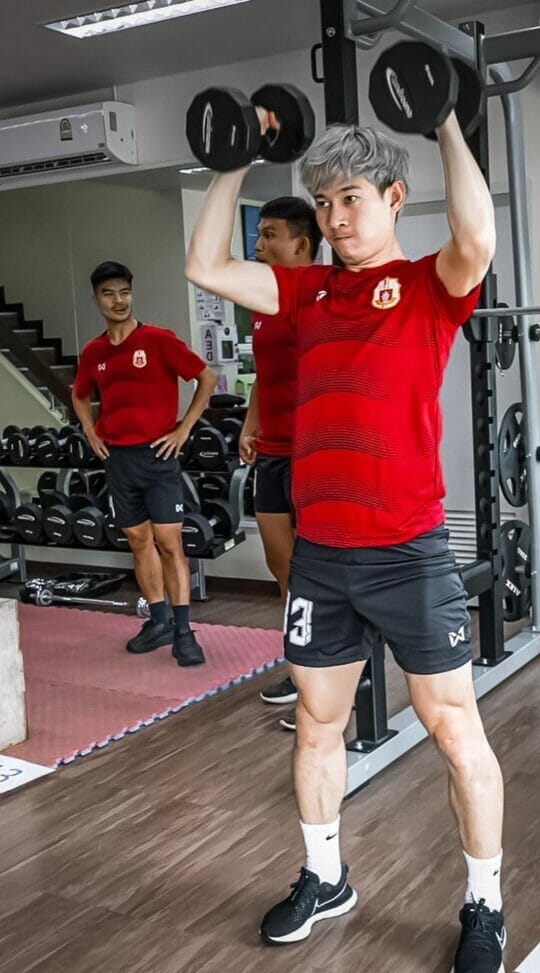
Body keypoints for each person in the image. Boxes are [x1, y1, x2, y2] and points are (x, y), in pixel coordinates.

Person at [186, 115, 507, 973]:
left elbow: (478, 237)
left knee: (454, 730)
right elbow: (205, 267)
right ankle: (325, 877)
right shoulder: (306, 293)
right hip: (323, 557)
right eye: (323, 202)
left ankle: (484, 904)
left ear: (394, 198)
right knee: (318, 725)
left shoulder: (429, 284)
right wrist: (232, 162)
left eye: (351, 199)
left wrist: (444, 121)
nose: (334, 218)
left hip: (409, 553)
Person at [72, 261, 217, 665]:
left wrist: (184, 429)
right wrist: (90, 430)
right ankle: (158, 621)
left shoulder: (157, 340)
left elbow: (206, 378)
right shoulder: (94, 351)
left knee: (170, 543)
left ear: (131, 294)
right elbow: (79, 393)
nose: (118, 301)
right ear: (96, 299)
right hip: (119, 460)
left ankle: (184, 631)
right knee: (138, 541)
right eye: (108, 294)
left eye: (124, 292)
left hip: (158, 456)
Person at [236, 197, 323, 720]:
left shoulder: (321, 299)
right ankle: (304, 662)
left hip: (315, 454)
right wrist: (251, 423)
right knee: (281, 562)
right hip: (272, 452)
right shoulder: (264, 304)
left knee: (321, 569)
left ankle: (335, 674)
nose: (259, 244)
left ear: (301, 243)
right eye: (259, 234)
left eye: (270, 235)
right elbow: (265, 378)